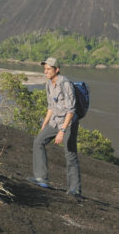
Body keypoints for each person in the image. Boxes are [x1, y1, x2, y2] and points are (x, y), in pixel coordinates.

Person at [29, 57, 81, 198]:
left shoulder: (65, 84)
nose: (46, 72)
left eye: (48, 69)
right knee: (38, 141)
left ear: (56, 70)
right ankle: (41, 178)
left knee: (70, 154)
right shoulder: (48, 85)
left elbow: (71, 110)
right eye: (44, 69)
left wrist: (62, 131)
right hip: (55, 121)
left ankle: (74, 189)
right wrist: (44, 124)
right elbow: (51, 107)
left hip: (68, 122)